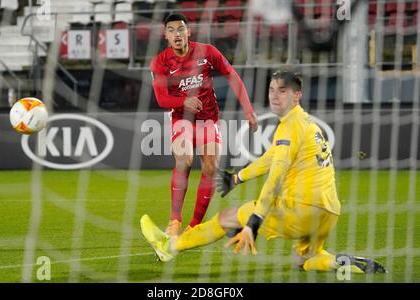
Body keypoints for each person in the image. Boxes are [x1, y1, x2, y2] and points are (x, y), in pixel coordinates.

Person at [140, 70, 387, 274]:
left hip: (299, 209)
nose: (275, 96)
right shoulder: (307, 123)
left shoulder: (289, 128)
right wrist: (238, 177)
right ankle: (342, 263)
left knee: (227, 217)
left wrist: (254, 221)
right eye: (271, 90)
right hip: (328, 212)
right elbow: (271, 158)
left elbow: (276, 177)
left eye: (283, 91)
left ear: (297, 95)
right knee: (304, 260)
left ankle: (170, 247)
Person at [150, 13, 258, 236]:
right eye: (171, 30)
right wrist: (184, 101)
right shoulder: (160, 62)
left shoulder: (207, 52)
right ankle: (175, 221)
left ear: (188, 32)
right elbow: (162, 99)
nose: (177, 34)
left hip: (209, 119)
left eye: (180, 29)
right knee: (184, 159)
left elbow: (232, 76)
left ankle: (194, 226)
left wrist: (248, 109)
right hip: (182, 120)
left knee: (211, 168)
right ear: (166, 36)